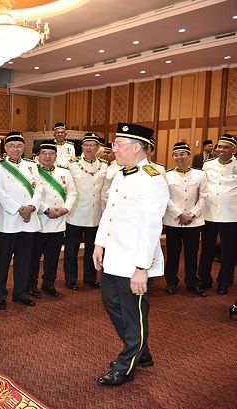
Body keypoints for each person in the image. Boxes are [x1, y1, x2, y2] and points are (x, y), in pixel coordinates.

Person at [93, 122, 169, 387]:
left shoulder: (152, 179)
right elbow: (109, 212)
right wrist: (99, 244)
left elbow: (151, 227)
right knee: (111, 303)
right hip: (114, 256)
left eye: (118, 144)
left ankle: (126, 365)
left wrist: (141, 268)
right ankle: (141, 352)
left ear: (137, 147)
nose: (113, 148)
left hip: (135, 261)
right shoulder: (120, 173)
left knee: (134, 313)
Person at [0, 132, 43, 309]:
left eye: (19, 146)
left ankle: (20, 293)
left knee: (24, 260)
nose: (15, 149)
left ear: (24, 147)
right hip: (8, 222)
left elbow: (39, 190)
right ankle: (0, 295)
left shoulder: (32, 165)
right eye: (12, 146)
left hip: (29, 221)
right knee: (3, 261)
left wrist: (31, 207)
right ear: (5, 148)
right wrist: (20, 209)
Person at [30, 141, 77, 296]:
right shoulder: (32, 172)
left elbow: (72, 193)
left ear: (56, 156)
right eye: (44, 153)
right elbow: (31, 195)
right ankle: (31, 285)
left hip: (58, 222)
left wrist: (66, 208)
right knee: (34, 258)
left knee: (53, 257)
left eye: (51, 154)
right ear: (38, 155)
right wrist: (45, 210)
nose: (47, 156)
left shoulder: (65, 172)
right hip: (39, 222)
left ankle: (48, 284)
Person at [163, 142, 208, 297]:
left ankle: (192, 283)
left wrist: (192, 215)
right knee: (172, 253)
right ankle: (171, 282)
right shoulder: (167, 175)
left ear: (189, 155)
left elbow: (203, 197)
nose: (179, 157)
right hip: (173, 221)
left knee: (191, 254)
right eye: (176, 155)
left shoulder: (200, 175)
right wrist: (179, 215)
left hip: (193, 222)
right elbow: (165, 198)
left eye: (182, 154)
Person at [64, 133, 107, 290]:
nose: (89, 148)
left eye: (93, 145)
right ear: (81, 146)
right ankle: (71, 279)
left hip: (95, 214)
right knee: (71, 249)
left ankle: (90, 277)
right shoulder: (72, 164)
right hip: (75, 213)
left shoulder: (104, 165)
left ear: (98, 147)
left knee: (92, 248)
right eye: (86, 144)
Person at [197, 134, 237, 295]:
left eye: (226, 147)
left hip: (231, 214)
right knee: (207, 248)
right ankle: (204, 278)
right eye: (219, 146)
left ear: (234, 149)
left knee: (229, 250)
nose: (221, 149)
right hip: (209, 212)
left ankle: (224, 282)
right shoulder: (208, 165)